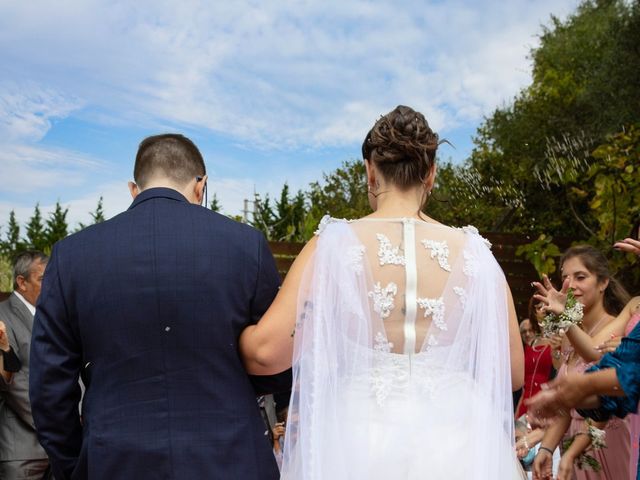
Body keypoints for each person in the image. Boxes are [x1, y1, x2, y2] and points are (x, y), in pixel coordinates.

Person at [239, 105, 525, 479]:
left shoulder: (333, 245)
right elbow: (514, 372)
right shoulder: (476, 254)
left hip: (356, 440)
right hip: (460, 442)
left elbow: (265, 355)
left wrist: (236, 333)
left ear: (370, 173)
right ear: (431, 174)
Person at [29, 134, 291, 480]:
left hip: (113, 460)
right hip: (229, 457)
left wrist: (78, 464)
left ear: (133, 188)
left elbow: (49, 388)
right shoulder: (247, 246)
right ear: (202, 185)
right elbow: (275, 364)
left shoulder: (72, 255)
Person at [531, 246, 632, 480]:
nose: (571, 284)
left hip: (609, 443)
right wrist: (547, 447)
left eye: (580, 277)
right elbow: (566, 406)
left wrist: (565, 319)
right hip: (573, 449)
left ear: (603, 282)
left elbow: (594, 358)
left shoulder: (618, 331)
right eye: (565, 277)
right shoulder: (569, 336)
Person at [0, 251, 51, 480]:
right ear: (22, 282)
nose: (50, 286)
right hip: (21, 452)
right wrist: (57, 424)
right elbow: (11, 382)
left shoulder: (52, 317)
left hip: (61, 449)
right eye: (42, 279)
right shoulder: (2, 317)